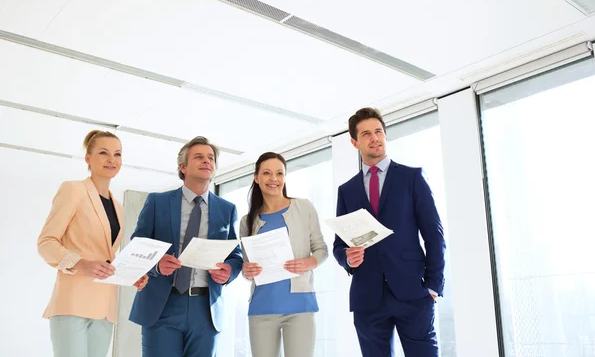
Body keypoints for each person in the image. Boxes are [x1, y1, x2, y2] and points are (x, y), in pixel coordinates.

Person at [333, 107, 446, 357]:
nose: (374, 138)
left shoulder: (412, 178)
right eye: (366, 134)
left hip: (413, 293)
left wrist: (434, 285)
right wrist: (347, 259)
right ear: (354, 142)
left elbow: (434, 234)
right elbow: (339, 245)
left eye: (378, 131)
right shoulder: (347, 190)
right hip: (367, 297)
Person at [128, 136, 243, 357]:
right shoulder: (157, 202)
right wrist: (157, 265)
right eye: (198, 157)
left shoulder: (227, 209)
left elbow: (235, 254)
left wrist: (230, 271)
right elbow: (137, 246)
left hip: (206, 309)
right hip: (162, 304)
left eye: (210, 158)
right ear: (183, 167)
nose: (206, 161)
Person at [38, 129, 148, 357]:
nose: (112, 160)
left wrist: (131, 275)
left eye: (117, 154)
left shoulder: (118, 207)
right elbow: (46, 242)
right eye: (104, 153)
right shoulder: (73, 190)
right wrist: (80, 263)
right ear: (88, 158)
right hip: (73, 301)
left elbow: (107, 257)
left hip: (105, 306)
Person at [240, 152, 328, 357]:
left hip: (299, 306)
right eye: (267, 173)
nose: (274, 179)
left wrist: (308, 263)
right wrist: (248, 271)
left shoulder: (303, 207)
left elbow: (322, 249)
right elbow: (247, 269)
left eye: (280, 173)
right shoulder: (246, 221)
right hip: (262, 306)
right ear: (256, 178)